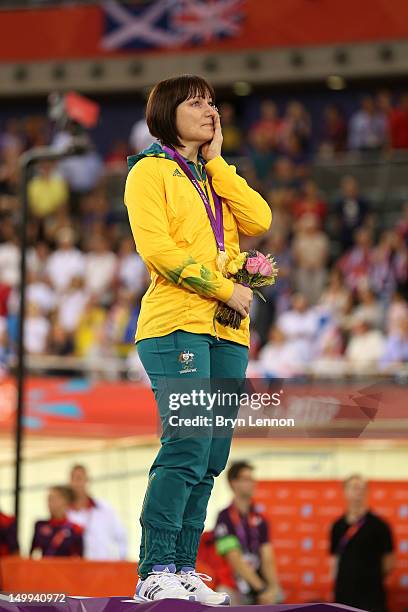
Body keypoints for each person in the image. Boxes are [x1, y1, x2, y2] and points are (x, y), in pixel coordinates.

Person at [124, 74, 271, 603]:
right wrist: (224, 287)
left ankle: (183, 566)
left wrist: (218, 162)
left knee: (212, 455)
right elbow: (158, 251)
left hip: (227, 332)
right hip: (176, 324)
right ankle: (154, 569)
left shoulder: (212, 176)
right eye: (195, 102)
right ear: (168, 114)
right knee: (187, 444)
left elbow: (260, 217)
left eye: (212, 102)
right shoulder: (148, 172)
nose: (209, 109)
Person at [214, 461, 280, 605]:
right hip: (235, 584)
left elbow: (267, 557)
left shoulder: (260, 519)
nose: (252, 483)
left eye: (252, 479)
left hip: (258, 583)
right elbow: (234, 559)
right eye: (246, 479)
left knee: (278, 596)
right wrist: (261, 589)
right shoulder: (224, 518)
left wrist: (273, 588)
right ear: (233, 483)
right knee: (222, 595)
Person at [330, 474, 395, 612]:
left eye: (361, 488)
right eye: (354, 488)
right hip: (344, 593)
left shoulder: (379, 525)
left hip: (371, 595)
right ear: (344, 492)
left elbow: (389, 562)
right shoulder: (337, 525)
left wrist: (369, 576)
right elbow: (334, 559)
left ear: (367, 492)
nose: (358, 492)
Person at [67, 464, 128, 561]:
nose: (77, 483)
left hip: (105, 569)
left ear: (87, 480)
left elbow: (121, 536)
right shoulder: (65, 513)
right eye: (73, 479)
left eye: (79, 478)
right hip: (77, 570)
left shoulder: (105, 508)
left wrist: (121, 562)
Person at [30, 485, 83, 558]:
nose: (49, 503)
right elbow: (34, 553)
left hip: (64, 568)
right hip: (43, 568)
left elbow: (78, 557)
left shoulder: (75, 529)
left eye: (53, 499)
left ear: (66, 502)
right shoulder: (40, 525)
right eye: (48, 499)